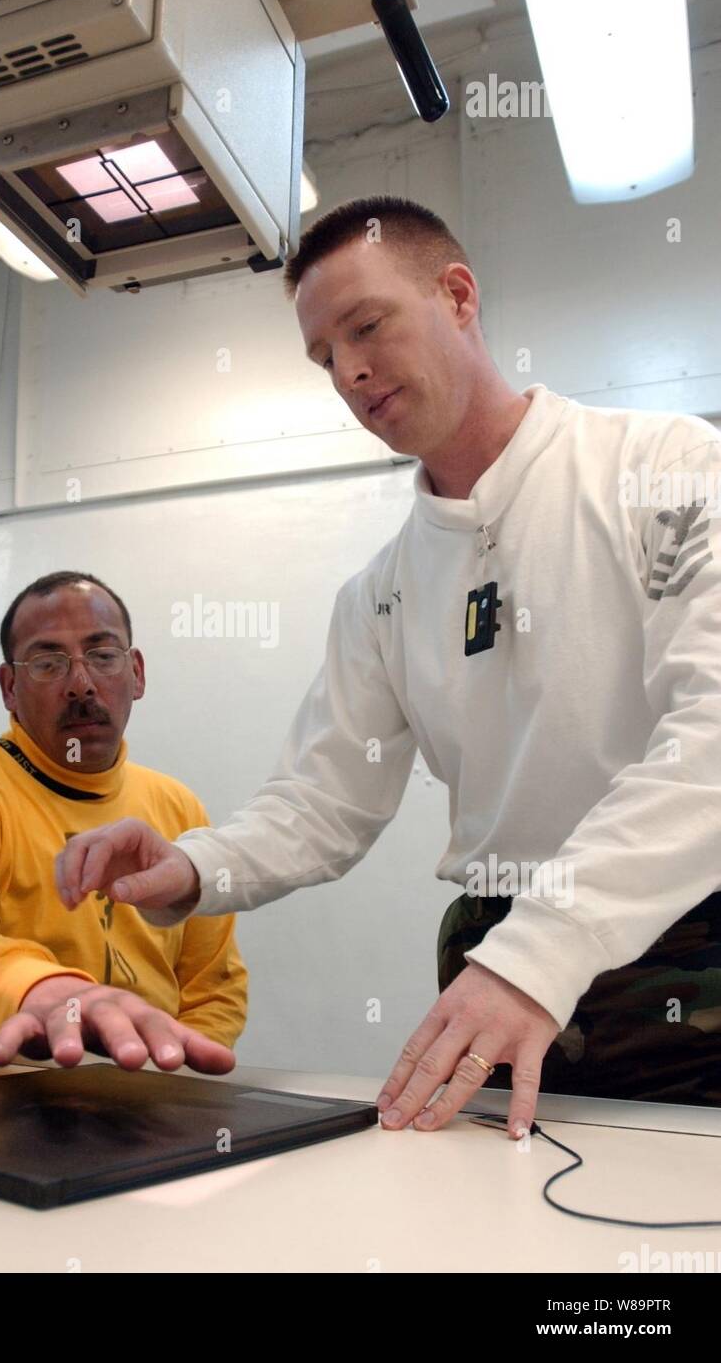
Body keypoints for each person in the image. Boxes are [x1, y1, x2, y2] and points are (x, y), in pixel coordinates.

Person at [54, 196, 721, 1137]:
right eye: (325, 357)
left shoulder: (666, 469)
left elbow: (713, 740)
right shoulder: (380, 596)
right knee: (499, 1226)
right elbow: (323, 805)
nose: (352, 370)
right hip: (492, 952)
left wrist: (548, 946)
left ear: (456, 296)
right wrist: (194, 865)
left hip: (684, 940)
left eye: (367, 326)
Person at [0, 571, 247, 1074]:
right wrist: (37, 988)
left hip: (144, 1098)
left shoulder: (177, 805)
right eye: (47, 663)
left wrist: (166, 1080)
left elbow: (211, 985)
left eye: (103, 655)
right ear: (9, 687)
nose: (81, 684)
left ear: (136, 673)